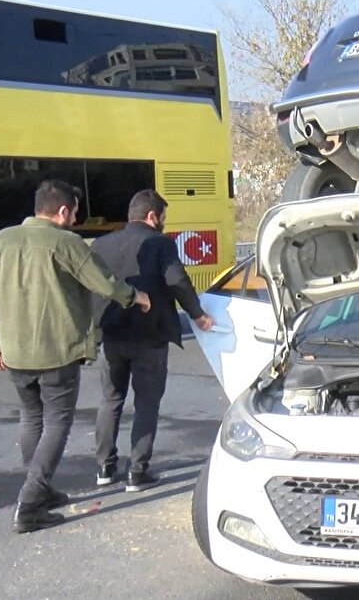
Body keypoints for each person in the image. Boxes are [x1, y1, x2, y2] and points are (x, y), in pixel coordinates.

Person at [0, 179, 151, 533]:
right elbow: (103, 282)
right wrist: (136, 297)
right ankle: (29, 505)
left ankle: (40, 490)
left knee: (31, 418)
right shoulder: (65, 242)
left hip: (13, 351)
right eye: (74, 212)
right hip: (56, 351)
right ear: (61, 211)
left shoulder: (1, 240)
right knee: (57, 422)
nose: (75, 219)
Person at [91, 189, 214, 492]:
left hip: (110, 336)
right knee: (147, 403)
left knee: (110, 400)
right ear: (152, 216)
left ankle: (105, 468)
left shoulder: (101, 244)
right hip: (150, 337)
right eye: (162, 218)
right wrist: (197, 313)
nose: (163, 223)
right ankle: (137, 472)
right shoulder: (160, 243)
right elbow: (176, 281)